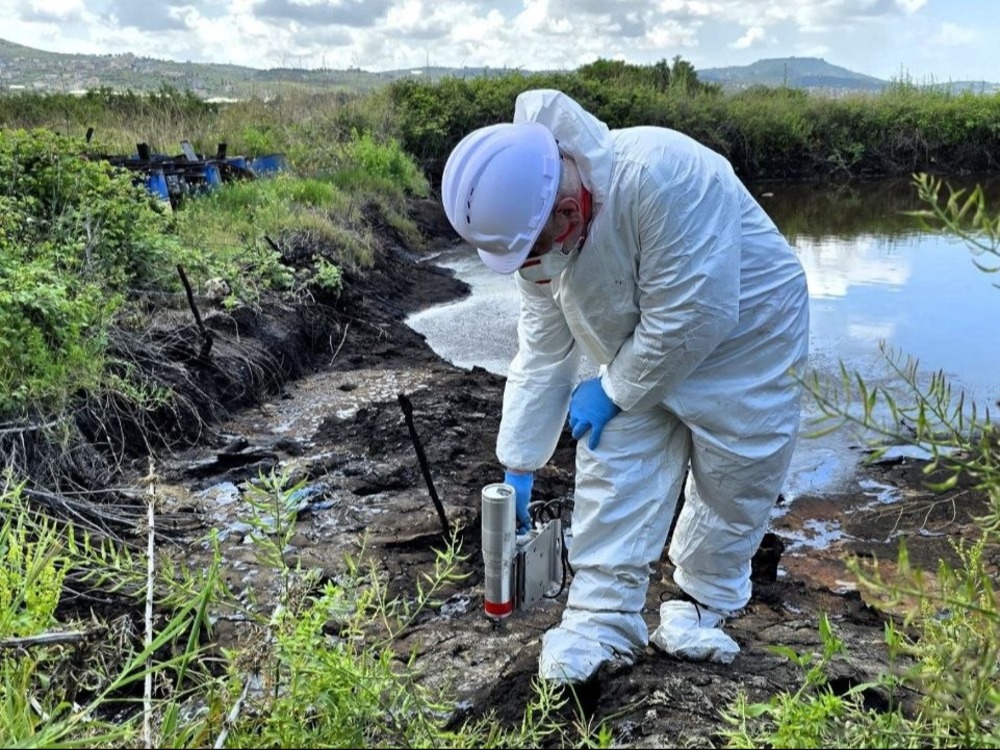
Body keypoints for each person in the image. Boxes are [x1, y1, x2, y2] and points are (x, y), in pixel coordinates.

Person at [440, 89, 810, 684]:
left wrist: (611, 390)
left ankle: (700, 603)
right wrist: (520, 461)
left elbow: (696, 315)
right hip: (637, 344)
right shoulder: (540, 238)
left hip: (746, 336)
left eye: (535, 250)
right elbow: (541, 350)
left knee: (736, 474)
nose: (534, 265)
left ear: (565, 210)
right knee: (614, 462)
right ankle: (601, 619)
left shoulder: (665, 176)